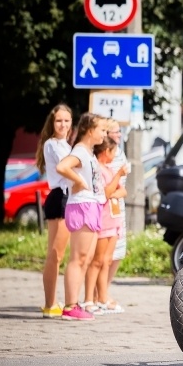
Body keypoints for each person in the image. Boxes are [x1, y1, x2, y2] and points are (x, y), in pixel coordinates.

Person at [56, 113, 107, 320]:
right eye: (102, 129)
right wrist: (78, 181)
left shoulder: (88, 152)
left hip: (91, 204)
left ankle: (75, 304)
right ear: (90, 130)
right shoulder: (80, 151)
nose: (104, 134)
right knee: (78, 259)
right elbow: (62, 167)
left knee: (85, 259)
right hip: (82, 205)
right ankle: (70, 306)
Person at [82, 136, 128, 315]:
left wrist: (114, 189)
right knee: (97, 261)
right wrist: (118, 177)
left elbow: (122, 191)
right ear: (105, 151)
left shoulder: (109, 169)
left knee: (107, 261)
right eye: (113, 151)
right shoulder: (99, 169)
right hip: (103, 219)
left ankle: (102, 297)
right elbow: (105, 193)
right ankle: (89, 299)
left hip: (113, 219)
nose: (115, 155)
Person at [36, 103, 74, 318]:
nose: (63, 124)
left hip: (65, 197)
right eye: (59, 120)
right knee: (55, 254)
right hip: (60, 197)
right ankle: (50, 304)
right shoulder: (52, 144)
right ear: (52, 122)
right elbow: (68, 168)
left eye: (66, 120)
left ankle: (51, 302)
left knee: (57, 254)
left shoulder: (65, 145)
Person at [104, 120, 128, 288]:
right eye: (115, 131)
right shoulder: (104, 154)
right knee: (106, 253)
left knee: (119, 251)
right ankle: (99, 293)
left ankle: (105, 289)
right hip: (106, 207)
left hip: (118, 205)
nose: (119, 134)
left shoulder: (120, 152)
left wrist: (119, 192)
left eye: (119, 131)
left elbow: (123, 186)